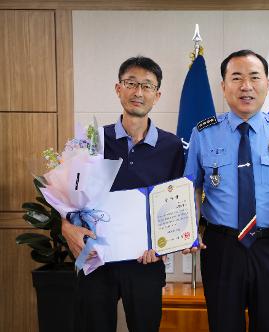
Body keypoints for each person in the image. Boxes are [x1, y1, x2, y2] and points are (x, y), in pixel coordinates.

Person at [183, 49, 269, 332]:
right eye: (236, 78)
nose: (246, 86)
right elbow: (193, 188)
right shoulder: (203, 133)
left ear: (267, 84)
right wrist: (189, 230)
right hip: (221, 247)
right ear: (223, 86)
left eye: (254, 77)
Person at [61, 56, 185, 332]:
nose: (138, 92)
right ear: (118, 89)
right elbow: (69, 199)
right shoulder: (91, 140)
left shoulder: (172, 146)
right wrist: (66, 225)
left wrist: (165, 246)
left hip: (145, 261)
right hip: (96, 259)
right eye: (131, 83)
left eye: (146, 85)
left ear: (157, 95)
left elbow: (176, 204)